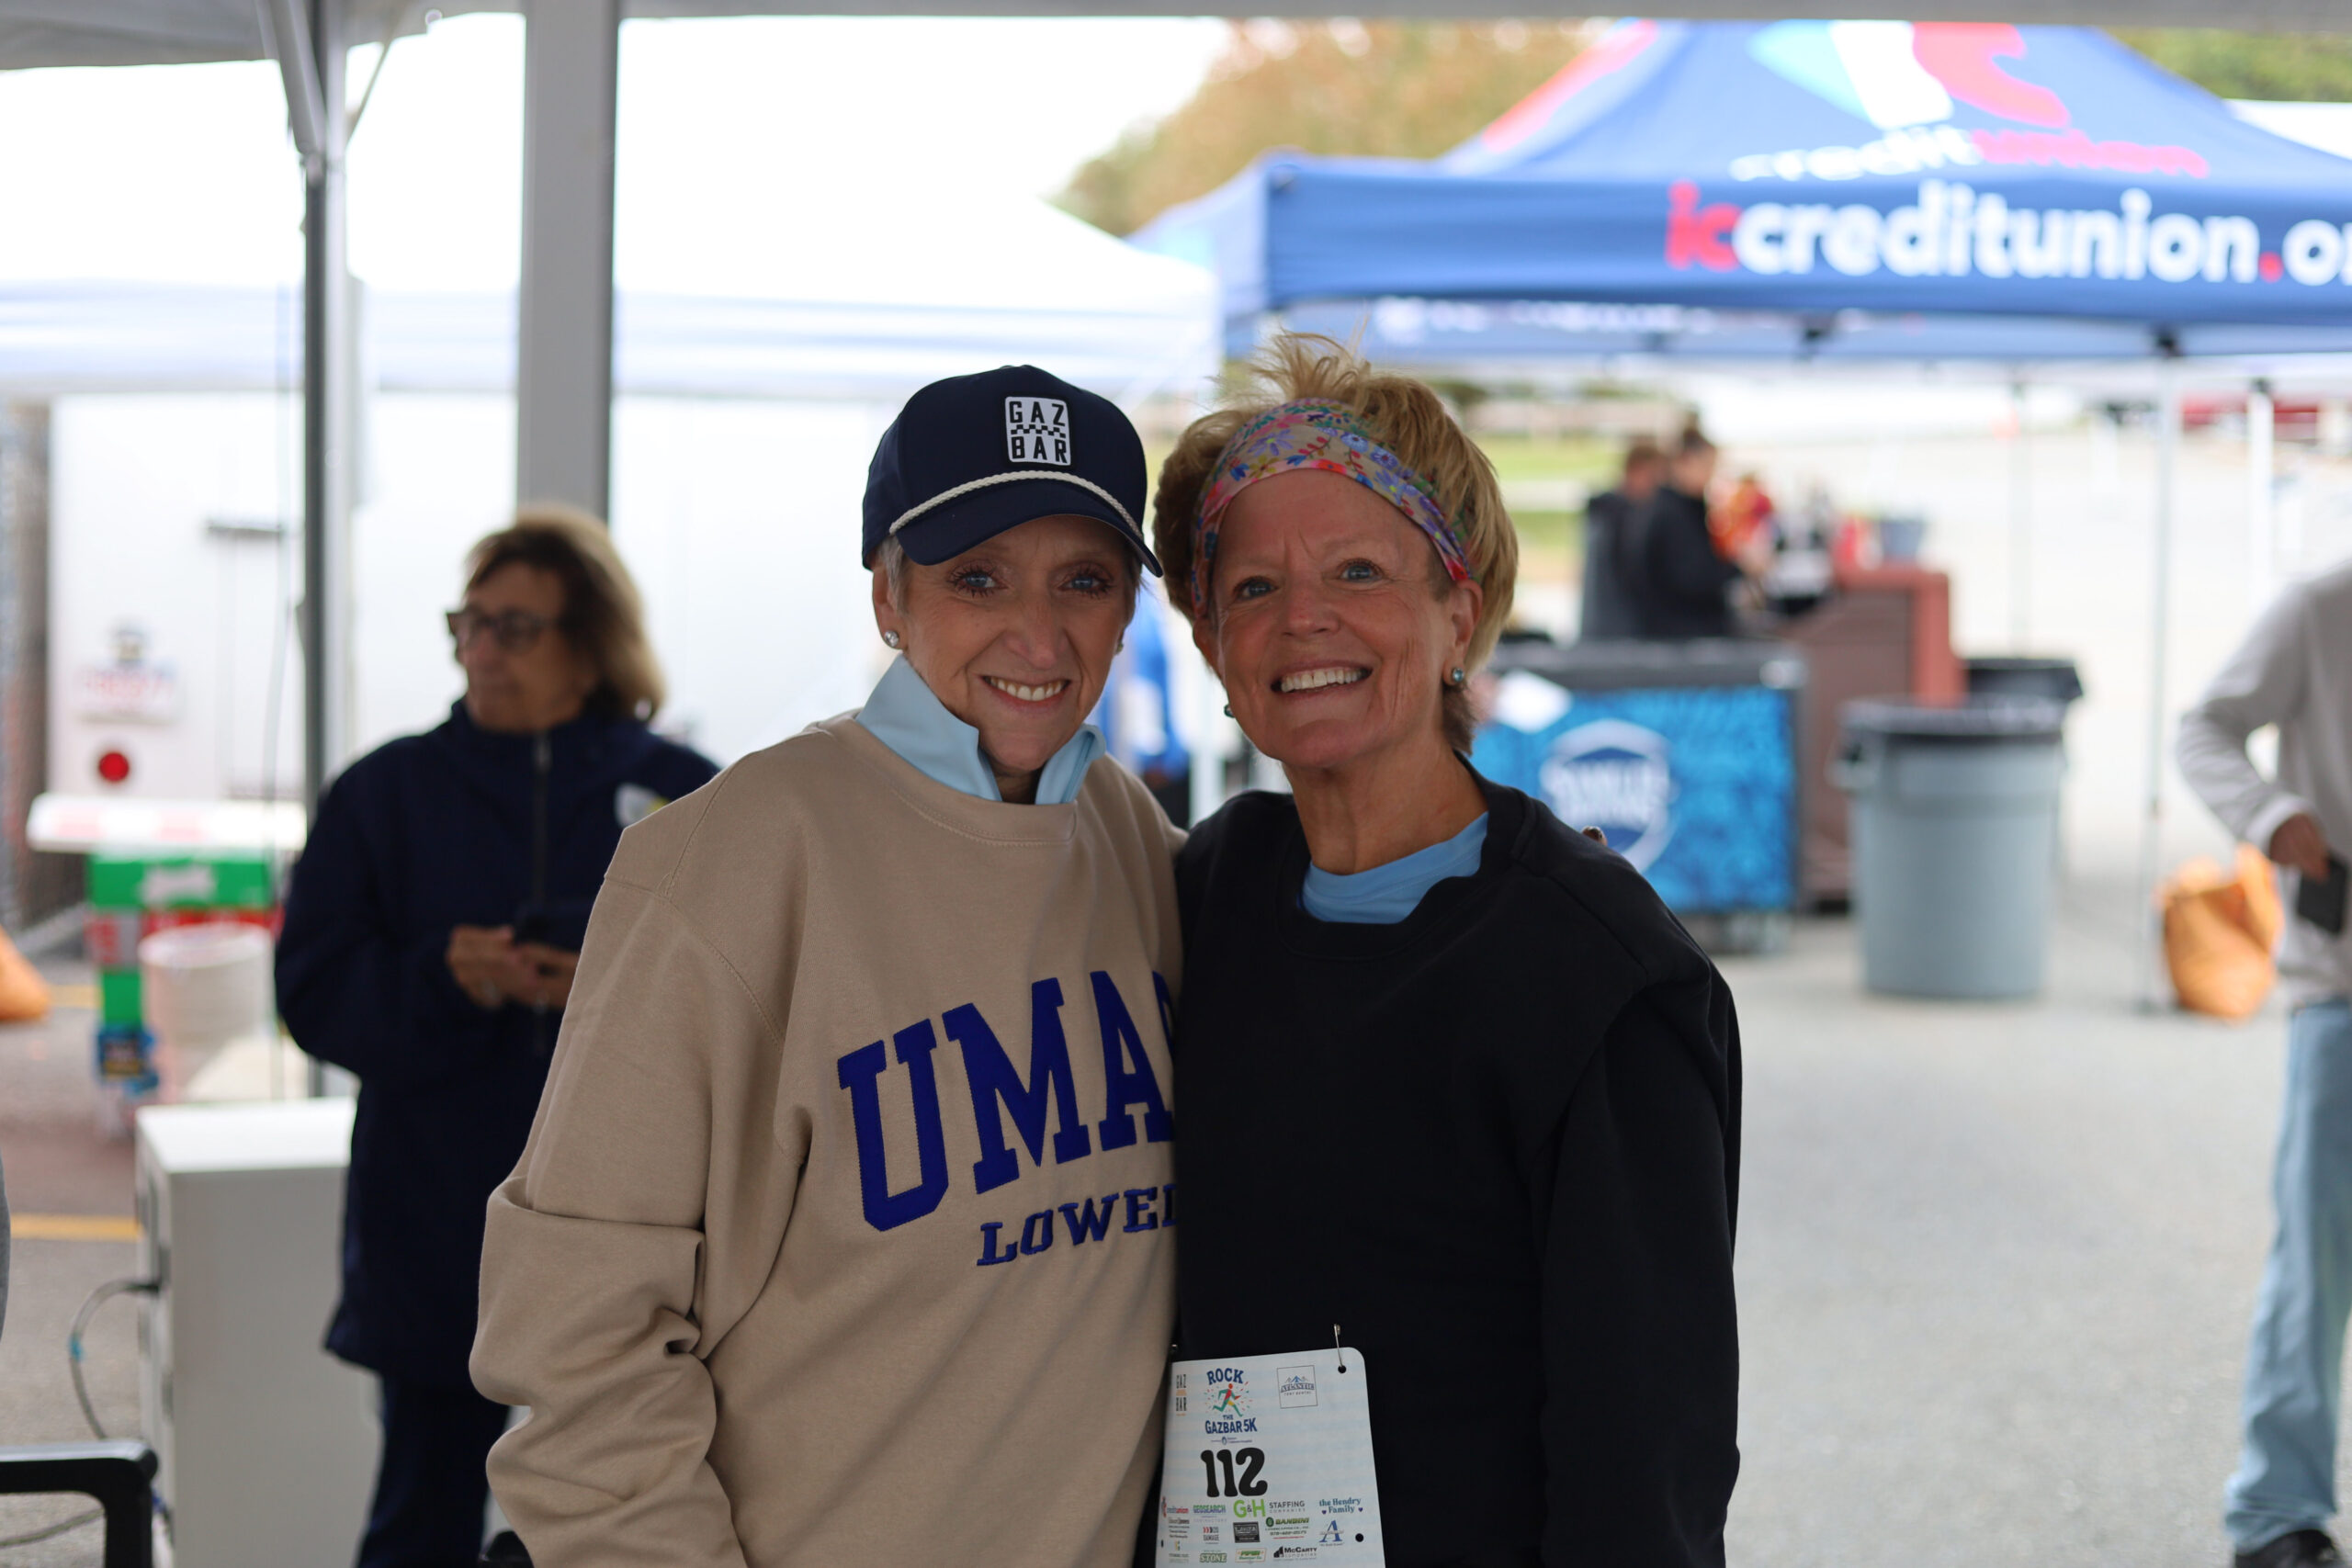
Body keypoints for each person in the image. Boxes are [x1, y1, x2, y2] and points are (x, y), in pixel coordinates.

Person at [470, 366, 1183, 1566]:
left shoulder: (1137, 845)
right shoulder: (724, 861)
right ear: (888, 594)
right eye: (978, 577)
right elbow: (578, 1345)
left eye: (1085, 579)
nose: (1039, 631)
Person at [1150, 334, 1743, 1565]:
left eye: (1357, 570)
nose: (1301, 618)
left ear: (1457, 612)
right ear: (1210, 646)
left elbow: (1647, 1459)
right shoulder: (1206, 892)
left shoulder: (1596, 975)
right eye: (1250, 587)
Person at [276, 506, 718, 1568]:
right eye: (468, 624)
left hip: (641, 1229)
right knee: (420, 1522)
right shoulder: (383, 795)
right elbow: (313, 992)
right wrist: (445, 978)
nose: (482, 650)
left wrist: (610, 997)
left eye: (515, 628)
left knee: (634, 1521)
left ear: (591, 645)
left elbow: (763, 999)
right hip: (437, 1224)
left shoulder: (689, 795)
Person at [2179, 558, 2352, 1568]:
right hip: (2342, 986)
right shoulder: (2321, 608)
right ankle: (2276, 1514)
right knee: (2316, 1258)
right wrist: (2271, 816)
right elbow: (2201, 729)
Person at [1629, 425, 1770, 639]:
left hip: (1684, 630)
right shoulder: (1671, 513)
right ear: (1685, 461)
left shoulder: (1676, 507)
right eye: (1707, 466)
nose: (1710, 475)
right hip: (1683, 635)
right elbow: (1693, 578)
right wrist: (1741, 567)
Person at [1578, 436, 1662, 640]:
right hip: (1615, 632)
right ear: (1634, 471)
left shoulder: (1606, 512)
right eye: (1653, 477)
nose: (1657, 487)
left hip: (1606, 630)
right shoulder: (1619, 517)